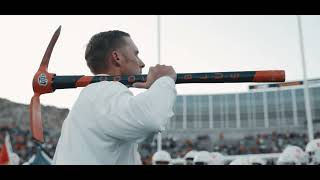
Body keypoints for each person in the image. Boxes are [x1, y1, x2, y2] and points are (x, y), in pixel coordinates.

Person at [52, 30, 177, 165]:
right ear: (117, 57)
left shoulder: (96, 94)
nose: (142, 63)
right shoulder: (105, 90)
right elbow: (150, 119)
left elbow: (144, 134)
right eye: (136, 54)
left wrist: (155, 89)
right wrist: (164, 79)